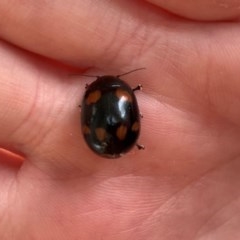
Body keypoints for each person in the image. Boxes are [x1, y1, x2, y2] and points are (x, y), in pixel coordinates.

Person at [0, 1, 239, 239]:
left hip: (105, 143)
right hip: (114, 140)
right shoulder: (122, 92)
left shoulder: (98, 94)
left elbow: (100, 113)